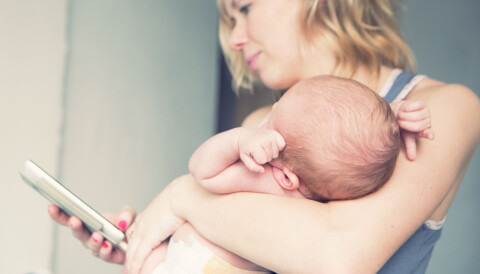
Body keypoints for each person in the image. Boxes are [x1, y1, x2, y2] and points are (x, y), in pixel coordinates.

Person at [49, 0, 480, 273]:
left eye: (246, 8)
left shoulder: (442, 108)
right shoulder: (262, 124)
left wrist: (182, 199)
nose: (235, 40)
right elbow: (229, 249)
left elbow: (339, 257)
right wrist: (146, 241)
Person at [143, 75, 433, 273]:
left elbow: (202, 170)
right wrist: (389, 124)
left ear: (286, 177)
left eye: (273, 118)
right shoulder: (316, 198)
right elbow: (350, 142)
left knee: (143, 259)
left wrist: (236, 141)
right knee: (139, 247)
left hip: (195, 265)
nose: (268, 115)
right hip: (192, 258)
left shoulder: (265, 180)